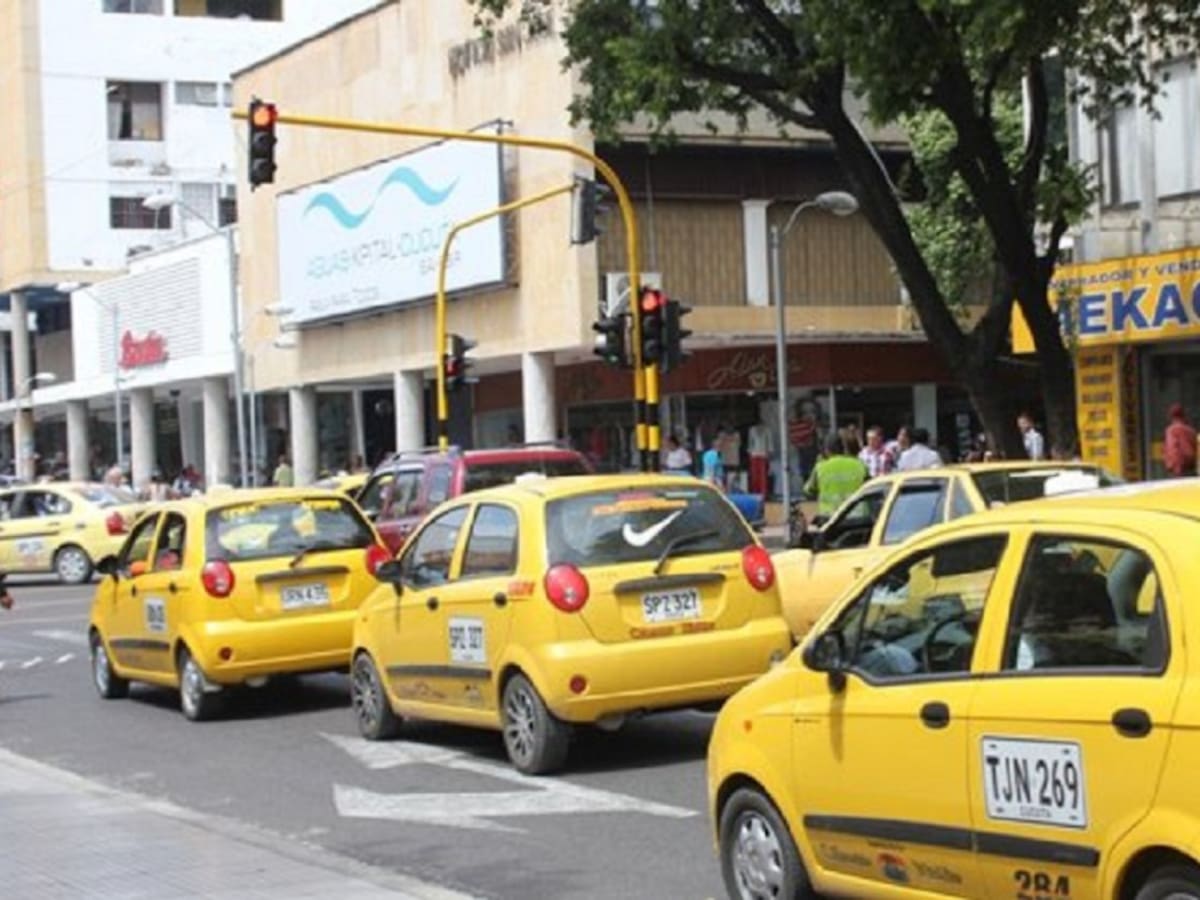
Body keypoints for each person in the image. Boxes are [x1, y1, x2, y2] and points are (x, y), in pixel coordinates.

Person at [804, 433, 867, 517]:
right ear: (843, 448)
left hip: (830, 517)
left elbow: (808, 490)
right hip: (857, 517)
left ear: (827, 450)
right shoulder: (859, 465)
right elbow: (870, 486)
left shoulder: (821, 467)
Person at [1163, 403, 1197, 477]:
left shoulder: (1171, 431)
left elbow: (1173, 450)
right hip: (1191, 468)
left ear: (1171, 416)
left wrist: (1177, 470)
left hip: (1178, 470)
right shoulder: (1191, 431)